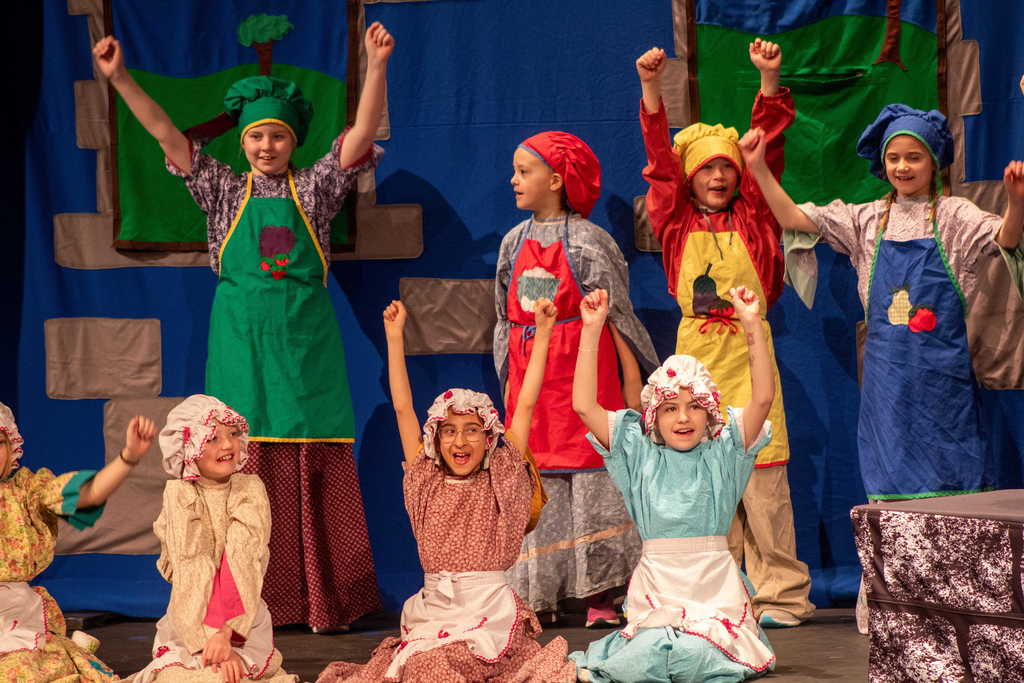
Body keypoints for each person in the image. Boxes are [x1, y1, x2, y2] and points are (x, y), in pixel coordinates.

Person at [92, 23, 395, 631]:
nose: (266, 145)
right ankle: (248, 604)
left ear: (293, 141)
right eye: (256, 135)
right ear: (243, 140)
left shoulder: (315, 189)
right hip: (241, 345)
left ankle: (321, 602)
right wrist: (119, 77)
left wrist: (376, 63)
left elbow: (361, 134)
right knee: (239, 455)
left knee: (308, 452)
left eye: (277, 135)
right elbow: (165, 133)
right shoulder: (223, 191)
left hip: (305, 348)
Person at [738, 102, 1024, 632]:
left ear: (933, 162)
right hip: (887, 392)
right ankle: (897, 614)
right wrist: (757, 169)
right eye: (894, 158)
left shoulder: (955, 217)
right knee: (890, 493)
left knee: (953, 493)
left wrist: (1016, 201)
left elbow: (1005, 239)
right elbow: (796, 219)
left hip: (943, 388)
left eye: (914, 157)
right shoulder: (868, 221)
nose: (903, 167)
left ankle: (952, 614)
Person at [635, 40, 814, 627]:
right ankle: (724, 593)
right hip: (697, 354)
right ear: (689, 179)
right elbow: (659, 164)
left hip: (748, 346)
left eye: (726, 167)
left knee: (763, 475)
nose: (717, 176)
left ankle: (781, 594)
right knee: (708, 475)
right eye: (706, 168)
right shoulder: (674, 221)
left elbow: (768, 149)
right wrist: (651, 91)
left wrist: (769, 82)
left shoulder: (755, 215)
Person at [316, 299, 575, 682]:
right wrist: (394, 337)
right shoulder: (426, 480)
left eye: (471, 430)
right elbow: (403, 408)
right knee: (417, 664)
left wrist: (545, 333)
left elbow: (525, 403)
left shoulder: (500, 477)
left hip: (487, 612)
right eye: (449, 431)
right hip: (436, 610)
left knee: (434, 665)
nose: (460, 440)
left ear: (488, 439)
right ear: (436, 439)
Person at [569, 288, 776, 682]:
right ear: (654, 417)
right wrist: (591, 329)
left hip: (713, 588)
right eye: (670, 408)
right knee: (647, 655)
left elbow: (763, 399)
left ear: (709, 412)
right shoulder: (638, 454)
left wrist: (751, 324)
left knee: (698, 654)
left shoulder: (724, 452)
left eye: (694, 406)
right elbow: (583, 406)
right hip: (658, 586)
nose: (683, 418)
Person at [495, 130, 658, 627]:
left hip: (582, 371)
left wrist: (634, 384)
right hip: (532, 376)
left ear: (557, 180)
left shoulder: (588, 241)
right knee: (536, 481)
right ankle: (538, 593)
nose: (513, 180)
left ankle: (602, 596)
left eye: (524, 171)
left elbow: (619, 317)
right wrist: (509, 378)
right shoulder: (513, 242)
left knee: (593, 484)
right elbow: (503, 318)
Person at [131, 395, 296, 683]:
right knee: (192, 675)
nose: (228, 445)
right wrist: (208, 639)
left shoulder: (248, 490)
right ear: (189, 449)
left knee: (225, 676)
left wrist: (226, 634)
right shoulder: (180, 494)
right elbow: (191, 567)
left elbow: (242, 562)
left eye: (233, 434)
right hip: (192, 617)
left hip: (240, 618)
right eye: (212, 438)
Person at [0, 401, 155, 680]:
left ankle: (67, 653)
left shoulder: (24, 490)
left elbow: (84, 494)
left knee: (20, 672)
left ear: (11, 446)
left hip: (13, 615)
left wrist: (127, 458)